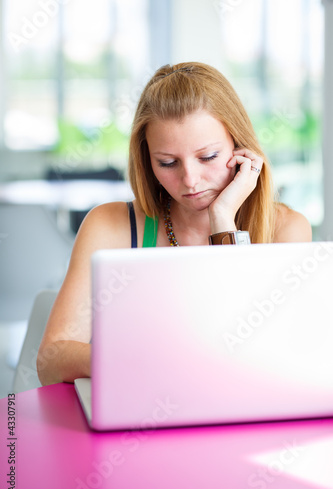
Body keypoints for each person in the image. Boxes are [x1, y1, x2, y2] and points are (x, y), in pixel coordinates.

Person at [37, 62, 312, 386]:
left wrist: (222, 220)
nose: (190, 180)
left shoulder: (286, 230)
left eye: (208, 156)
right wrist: (135, 360)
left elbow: (262, 360)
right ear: (146, 159)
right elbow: (50, 361)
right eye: (167, 162)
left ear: (240, 146)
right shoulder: (110, 226)